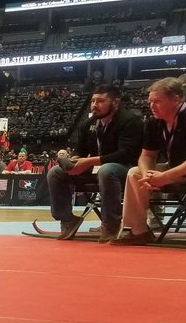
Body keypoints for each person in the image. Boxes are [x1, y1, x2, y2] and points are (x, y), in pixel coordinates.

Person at [46, 85, 142, 241]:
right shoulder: (89, 123)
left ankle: (111, 224)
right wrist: (73, 162)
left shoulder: (130, 121)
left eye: (100, 101)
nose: (94, 105)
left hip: (127, 169)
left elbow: (126, 154)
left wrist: (89, 161)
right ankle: (68, 220)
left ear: (115, 102)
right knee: (55, 172)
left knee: (107, 170)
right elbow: (80, 151)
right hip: (98, 169)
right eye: (93, 101)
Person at [111, 78, 186, 246]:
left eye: (157, 101)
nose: (152, 106)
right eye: (150, 102)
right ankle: (137, 231)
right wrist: (147, 173)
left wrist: (165, 177)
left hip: (181, 170)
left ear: (176, 99)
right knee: (135, 173)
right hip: (175, 169)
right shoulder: (154, 123)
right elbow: (146, 156)